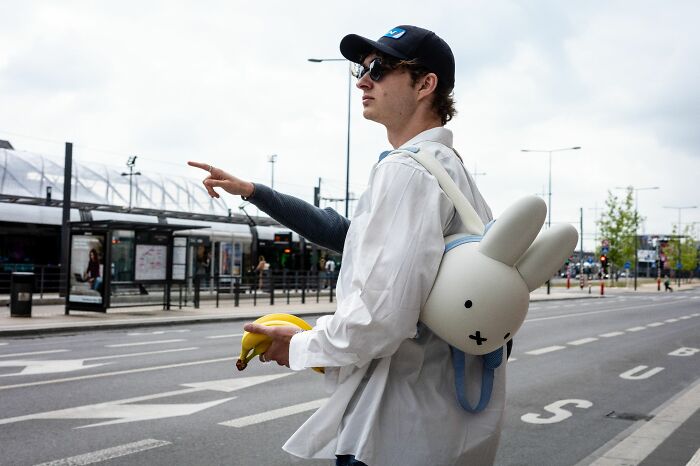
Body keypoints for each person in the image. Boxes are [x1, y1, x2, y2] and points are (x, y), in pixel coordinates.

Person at [189, 25, 501, 466]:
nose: (362, 80)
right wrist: (255, 191)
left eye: (379, 68)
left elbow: (378, 318)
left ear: (425, 85)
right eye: (362, 67)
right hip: (449, 427)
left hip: (394, 433)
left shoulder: (407, 172)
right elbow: (346, 233)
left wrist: (298, 346)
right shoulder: (455, 177)